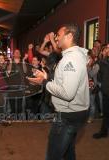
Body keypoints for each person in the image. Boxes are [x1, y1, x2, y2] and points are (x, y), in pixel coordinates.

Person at [29, 24, 89, 160]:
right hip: (75, 113)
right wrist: (47, 77)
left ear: (69, 36)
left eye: (58, 35)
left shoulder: (71, 59)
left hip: (68, 116)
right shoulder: (72, 56)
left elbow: (67, 94)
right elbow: (65, 82)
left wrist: (44, 83)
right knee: (68, 151)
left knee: (53, 156)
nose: (56, 38)